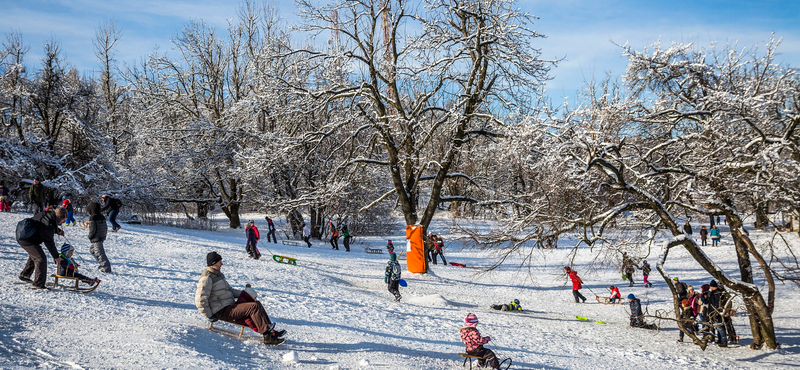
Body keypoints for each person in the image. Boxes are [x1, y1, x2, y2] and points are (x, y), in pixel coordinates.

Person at [195, 252, 286, 345]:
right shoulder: (207, 278)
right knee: (253, 307)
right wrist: (209, 315)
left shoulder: (218, 275)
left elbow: (230, 290)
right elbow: (200, 299)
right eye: (220, 262)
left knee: (256, 303)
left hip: (228, 306)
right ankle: (267, 336)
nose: (222, 264)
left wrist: (246, 294)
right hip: (220, 311)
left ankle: (271, 332)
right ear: (213, 263)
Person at [17, 207, 66, 289]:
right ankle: (38, 284)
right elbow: (49, 242)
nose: (64, 221)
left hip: (25, 237)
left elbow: (45, 225)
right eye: (64, 219)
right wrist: (56, 257)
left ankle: (25, 275)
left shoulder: (48, 215)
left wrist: (58, 231)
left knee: (35, 255)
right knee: (41, 258)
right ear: (59, 218)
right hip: (27, 240)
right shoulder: (48, 224)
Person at [87, 202, 112, 273]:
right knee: (92, 250)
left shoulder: (93, 217)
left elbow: (92, 229)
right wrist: (104, 235)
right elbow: (105, 227)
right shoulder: (102, 216)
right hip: (101, 236)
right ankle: (102, 264)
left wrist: (90, 236)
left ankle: (106, 267)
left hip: (96, 237)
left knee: (99, 252)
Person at [707, 280, 728, 347]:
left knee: (720, 327)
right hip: (716, 311)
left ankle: (723, 341)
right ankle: (720, 339)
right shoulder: (716, 293)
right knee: (718, 326)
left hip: (716, 312)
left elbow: (715, 303)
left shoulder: (716, 293)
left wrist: (715, 312)